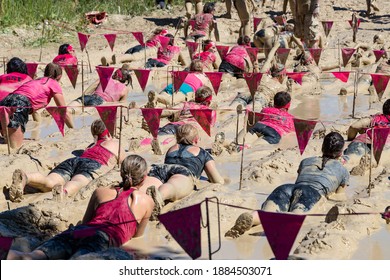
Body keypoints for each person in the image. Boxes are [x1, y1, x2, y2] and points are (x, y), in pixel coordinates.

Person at [7, 154, 154, 260]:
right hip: (101, 239)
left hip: (79, 231)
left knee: (29, 258)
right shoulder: (146, 201)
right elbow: (137, 235)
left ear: (121, 173)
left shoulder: (100, 192)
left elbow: (85, 222)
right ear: (144, 178)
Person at [225, 131, 349, 238]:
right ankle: (279, 220)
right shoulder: (343, 170)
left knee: (266, 213)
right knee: (296, 217)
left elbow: (299, 181)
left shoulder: (306, 161)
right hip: (312, 193)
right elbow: (339, 196)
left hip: (287, 188)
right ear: (340, 152)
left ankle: (253, 217)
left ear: (322, 148)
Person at [7, 119, 126, 202]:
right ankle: (64, 191)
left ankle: (26, 177)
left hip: (75, 160)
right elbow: (123, 162)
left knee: (49, 180)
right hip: (94, 164)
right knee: (77, 181)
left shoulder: (90, 146)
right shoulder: (115, 143)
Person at [142, 123, 225, 220]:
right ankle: (159, 195)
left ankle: (137, 193)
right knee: (172, 185)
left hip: (161, 168)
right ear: (196, 140)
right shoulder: (202, 152)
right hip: (182, 172)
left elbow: (167, 169)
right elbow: (216, 179)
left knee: (149, 185)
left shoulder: (171, 149)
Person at [0, 63, 74, 149]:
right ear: (59, 76)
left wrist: (38, 125)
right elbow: (63, 111)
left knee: (6, 141)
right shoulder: (53, 83)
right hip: (19, 104)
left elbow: (31, 103)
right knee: (15, 147)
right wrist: (73, 130)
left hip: (5, 101)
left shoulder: (35, 81)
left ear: (45, 73)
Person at [146, 86, 216, 155]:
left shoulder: (185, 104)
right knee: (177, 140)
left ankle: (147, 143)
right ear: (208, 101)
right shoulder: (210, 112)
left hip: (174, 125)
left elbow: (168, 111)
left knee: (160, 135)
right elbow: (210, 128)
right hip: (189, 130)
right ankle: (164, 146)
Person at [67, 64, 132, 113]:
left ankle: (68, 110)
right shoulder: (125, 89)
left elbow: (87, 91)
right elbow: (121, 104)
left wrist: (83, 97)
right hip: (100, 102)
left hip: (89, 97)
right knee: (82, 112)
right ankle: (72, 111)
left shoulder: (106, 78)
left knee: (68, 108)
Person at [343, 99, 390, 163]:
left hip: (361, 142)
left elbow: (354, 126)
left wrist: (349, 140)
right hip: (384, 147)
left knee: (347, 161)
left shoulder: (376, 118)